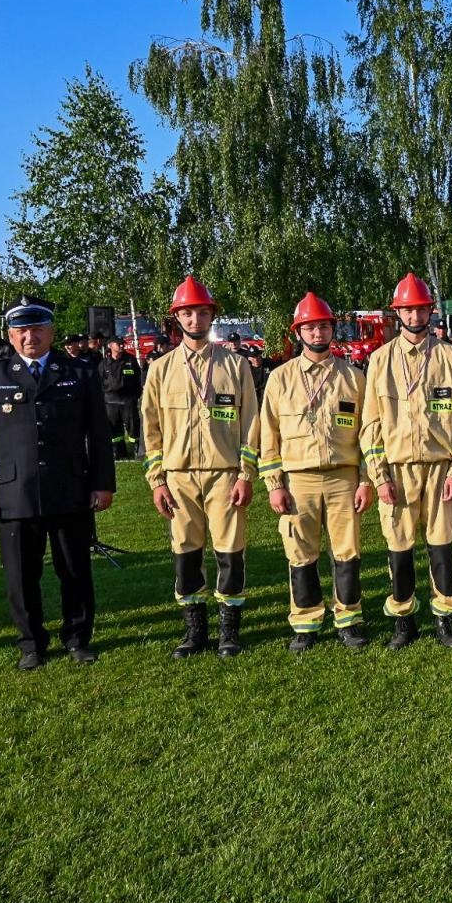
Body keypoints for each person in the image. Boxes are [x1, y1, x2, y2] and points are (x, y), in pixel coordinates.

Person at [0, 297, 116, 669]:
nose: (29, 337)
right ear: (10, 335)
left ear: (51, 332)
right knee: (20, 576)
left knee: (75, 571)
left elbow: (99, 434)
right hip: (14, 492)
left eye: (37, 329)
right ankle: (31, 644)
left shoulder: (80, 372)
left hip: (70, 488)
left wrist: (102, 484)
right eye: (21, 330)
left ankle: (77, 638)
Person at [141, 274, 261, 658]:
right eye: (188, 313)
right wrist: (157, 481)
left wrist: (245, 475)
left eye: (202, 313)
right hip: (178, 478)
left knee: (230, 552)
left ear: (212, 316)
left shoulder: (235, 365)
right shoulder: (160, 369)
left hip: (225, 475)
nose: (195, 320)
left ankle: (229, 630)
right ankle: (195, 631)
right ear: (177, 317)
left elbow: (251, 424)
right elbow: (151, 430)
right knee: (186, 554)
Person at [258, 292, 374, 651]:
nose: (317, 333)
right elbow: (268, 435)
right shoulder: (280, 379)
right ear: (298, 333)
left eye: (323, 326)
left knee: (347, 552)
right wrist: (274, 484)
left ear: (332, 329)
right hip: (298, 480)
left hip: (344, 477)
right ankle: (305, 623)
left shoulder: (354, 377)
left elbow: (369, 433)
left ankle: (349, 621)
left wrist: (367, 479)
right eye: (309, 328)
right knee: (300, 553)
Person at [361, 272, 452, 650]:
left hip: (440, 468)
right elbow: (371, 424)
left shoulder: (448, 355)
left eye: (421, 309)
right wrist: (380, 477)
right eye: (408, 309)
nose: (415, 315)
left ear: (429, 311)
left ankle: (445, 618)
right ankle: (403, 620)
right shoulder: (380, 359)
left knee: (442, 547)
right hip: (397, 470)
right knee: (399, 548)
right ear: (398, 313)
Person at [100, 337, 144, 460]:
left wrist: (136, 395)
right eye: (118, 344)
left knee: (132, 424)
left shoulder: (130, 360)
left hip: (128, 399)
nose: (121, 346)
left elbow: (138, 379)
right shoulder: (104, 364)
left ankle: (137, 448)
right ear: (110, 346)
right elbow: (99, 382)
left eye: (122, 344)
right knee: (114, 426)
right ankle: (118, 450)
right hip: (111, 400)